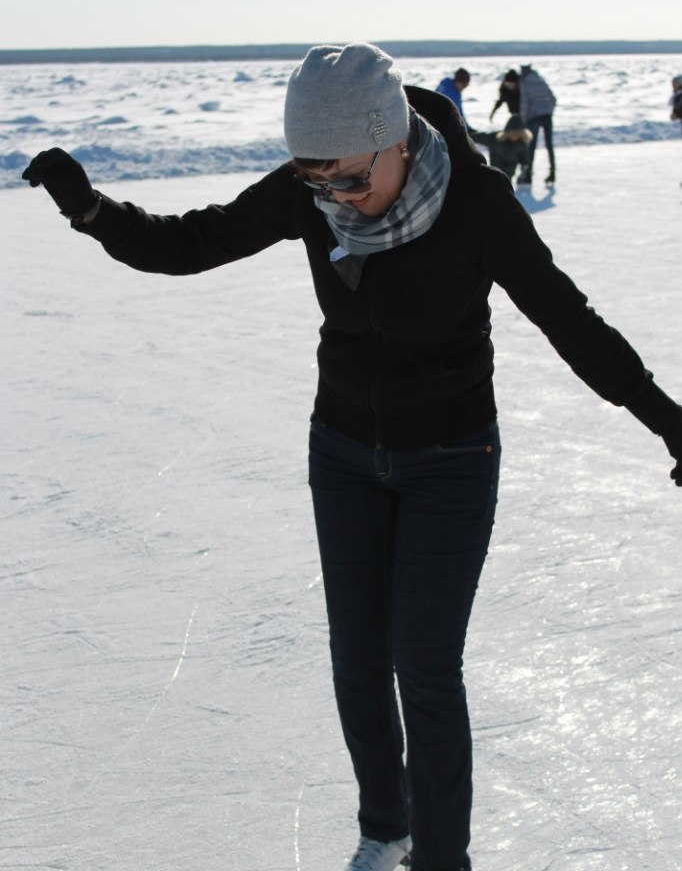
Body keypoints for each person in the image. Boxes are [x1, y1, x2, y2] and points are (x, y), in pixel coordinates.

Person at [22, 43, 682, 871]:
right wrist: (92, 211)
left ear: (395, 139)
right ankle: (386, 827)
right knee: (357, 660)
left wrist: (665, 418)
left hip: (450, 456)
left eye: (348, 178)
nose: (336, 198)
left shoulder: (477, 204)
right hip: (341, 454)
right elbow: (191, 243)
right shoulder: (314, 192)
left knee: (426, 668)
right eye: (316, 180)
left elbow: (570, 321)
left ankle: (442, 861)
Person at [516, 63, 556, 185]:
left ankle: (528, 175)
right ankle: (552, 172)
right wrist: (549, 110)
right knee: (549, 145)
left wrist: (522, 120)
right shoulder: (540, 80)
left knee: (531, 146)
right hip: (547, 115)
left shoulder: (524, 83)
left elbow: (524, 103)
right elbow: (553, 98)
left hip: (533, 117)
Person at [470, 114, 532, 182]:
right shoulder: (496, 139)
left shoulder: (521, 144)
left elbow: (523, 156)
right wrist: (468, 137)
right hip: (496, 169)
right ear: (507, 132)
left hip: (510, 171)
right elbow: (481, 137)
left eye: (517, 134)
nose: (514, 136)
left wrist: (524, 165)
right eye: (512, 133)